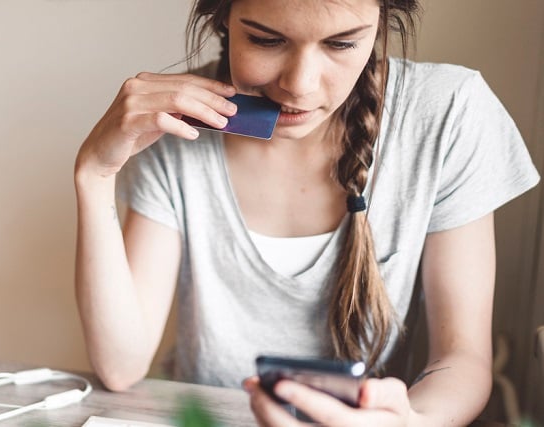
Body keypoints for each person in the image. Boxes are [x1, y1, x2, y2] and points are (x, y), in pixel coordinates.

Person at [73, 0, 539, 425]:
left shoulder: (447, 112)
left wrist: (412, 422)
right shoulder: (175, 127)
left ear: (380, 26)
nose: (299, 83)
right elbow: (121, 364)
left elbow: (461, 360)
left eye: (341, 43)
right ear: (222, 21)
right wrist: (94, 175)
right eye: (266, 39)